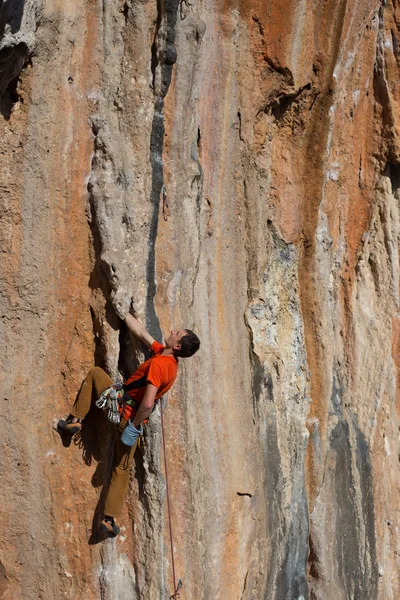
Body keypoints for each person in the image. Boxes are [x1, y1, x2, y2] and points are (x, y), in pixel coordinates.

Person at [58, 313, 200, 536]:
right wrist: (123, 311)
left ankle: (74, 421)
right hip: (129, 417)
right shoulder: (166, 358)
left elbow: (148, 402)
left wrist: (133, 427)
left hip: (125, 412)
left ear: (178, 346)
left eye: (177, 333)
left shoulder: (160, 366)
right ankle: (108, 519)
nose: (173, 331)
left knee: (96, 374)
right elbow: (142, 332)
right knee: (121, 468)